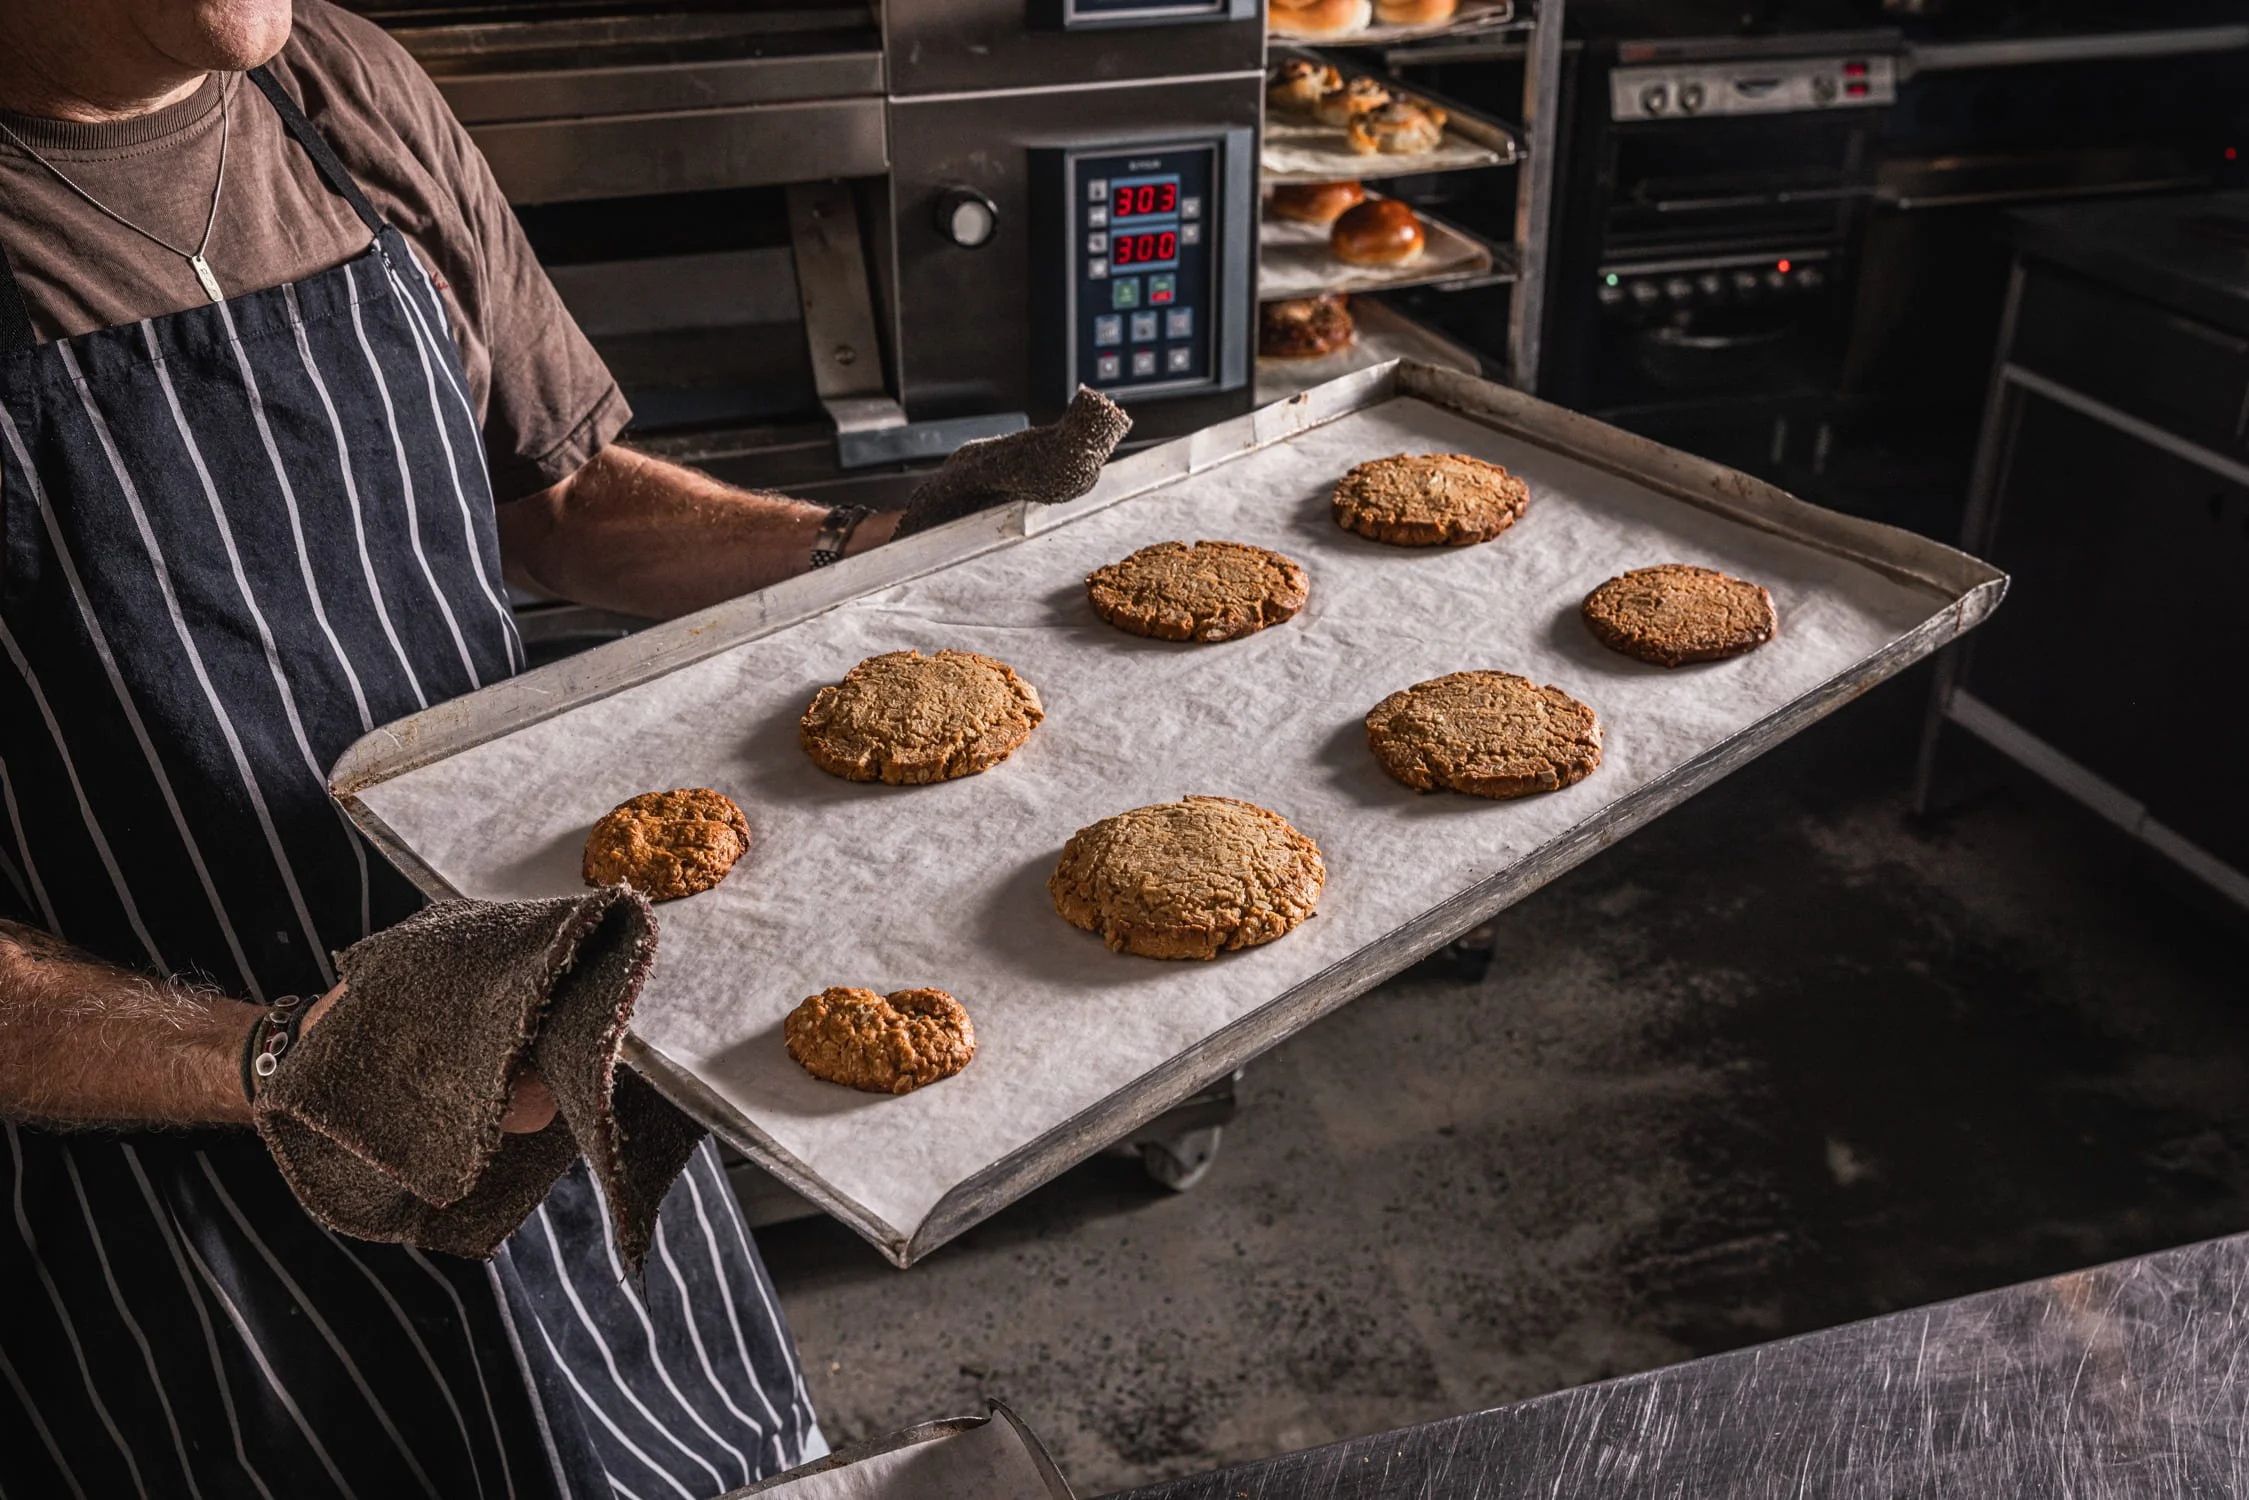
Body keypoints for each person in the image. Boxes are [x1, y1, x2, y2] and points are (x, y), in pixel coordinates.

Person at [0, 2, 933, 1494]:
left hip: (550, 1080)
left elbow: (555, 498)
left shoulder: (338, 87)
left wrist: (877, 547)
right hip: (187, 1213)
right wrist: (285, 1059)